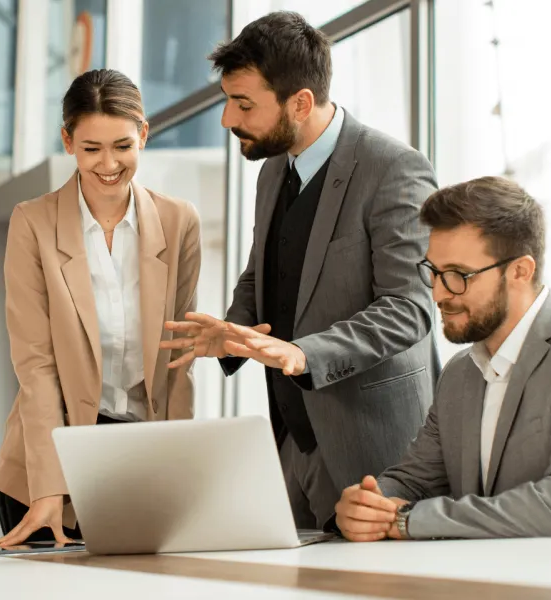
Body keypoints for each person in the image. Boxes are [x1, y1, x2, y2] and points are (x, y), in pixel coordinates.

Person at [160, 11, 438, 530]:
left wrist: (304, 353)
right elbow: (262, 272)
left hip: (375, 447)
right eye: (227, 100)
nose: (227, 119)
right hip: (292, 439)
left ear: (301, 103)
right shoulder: (272, 171)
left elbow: (409, 309)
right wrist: (232, 331)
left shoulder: (394, 169)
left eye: (244, 104)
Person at [333, 176, 551, 542]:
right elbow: (414, 480)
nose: (439, 293)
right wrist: (368, 504)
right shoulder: (460, 373)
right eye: (434, 272)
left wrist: (408, 520)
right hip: (496, 572)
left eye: (458, 275)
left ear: (520, 271)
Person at [0, 69, 201, 546]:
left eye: (122, 146)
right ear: (67, 141)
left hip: (141, 459)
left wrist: (181, 474)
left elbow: (179, 360)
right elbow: (36, 366)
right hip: (50, 466)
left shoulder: (178, 221)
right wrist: (49, 486)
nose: (109, 164)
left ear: (143, 134)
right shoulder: (33, 224)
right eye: (91, 149)